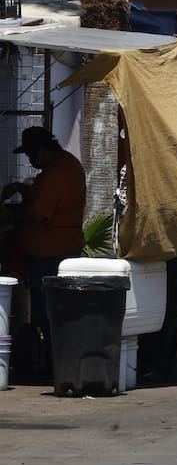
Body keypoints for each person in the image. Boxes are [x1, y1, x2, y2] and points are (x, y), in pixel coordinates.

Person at [0, 126, 86, 356]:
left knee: (47, 312)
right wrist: (21, 189)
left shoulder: (58, 174)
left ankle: (48, 358)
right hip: (55, 250)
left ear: (42, 151)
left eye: (31, 155)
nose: (31, 160)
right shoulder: (64, 166)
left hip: (52, 253)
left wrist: (9, 214)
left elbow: (40, 214)